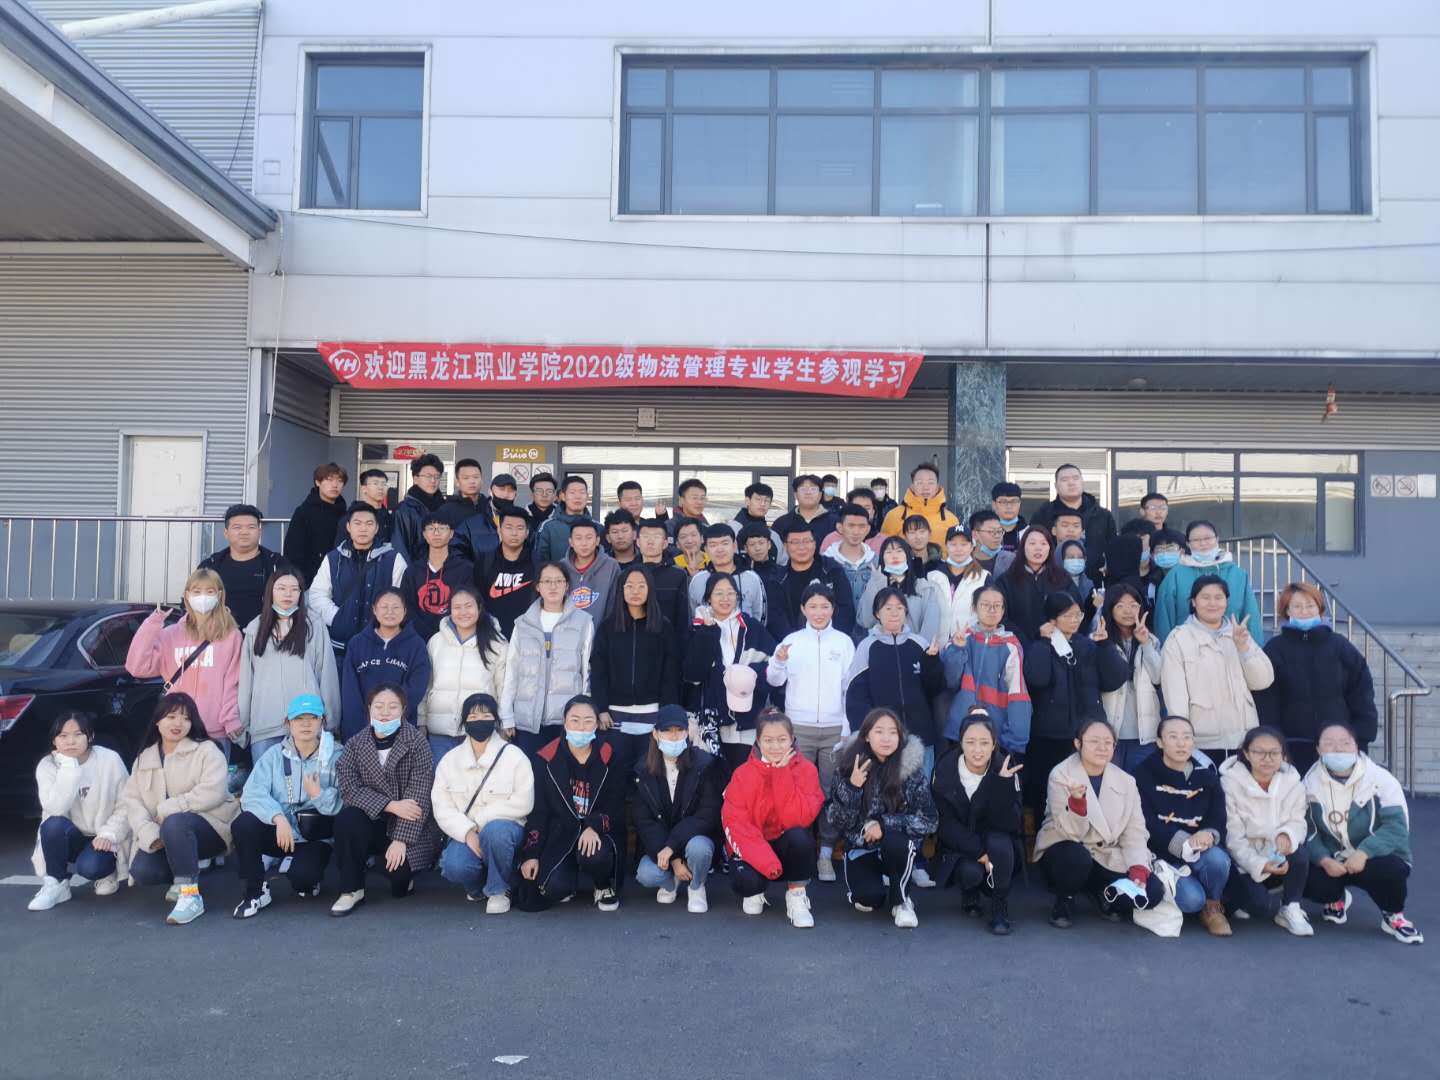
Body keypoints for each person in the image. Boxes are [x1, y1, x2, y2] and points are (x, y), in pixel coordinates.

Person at [118, 694, 238, 925]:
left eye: (185, 718)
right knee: (144, 871)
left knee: (175, 822)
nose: (178, 723)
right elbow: (132, 802)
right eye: (171, 716)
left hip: (211, 828)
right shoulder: (145, 758)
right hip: (164, 833)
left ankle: (190, 895)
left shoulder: (206, 750)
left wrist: (168, 808)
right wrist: (149, 834)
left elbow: (213, 791)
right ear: (157, 721)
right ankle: (181, 875)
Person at [1034, 718, 1164, 928]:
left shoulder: (1126, 781)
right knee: (1077, 858)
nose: (1102, 747)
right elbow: (1070, 832)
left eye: (1108, 742)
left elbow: (1135, 830)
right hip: (1067, 850)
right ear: (1078, 744)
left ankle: (1101, 892)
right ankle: (1065, 899)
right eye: (1094, 741)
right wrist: (1077, 803)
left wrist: (1138, 866)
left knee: (1153, 891)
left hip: (1106, 855)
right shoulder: (1061, 774)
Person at [766, 584, 854, 882]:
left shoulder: (843, 642)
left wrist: (846, 728)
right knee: (797, 791)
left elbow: (850, 689)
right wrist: (778, 661)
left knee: (829, 790)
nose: (819, 612)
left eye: (825, 606)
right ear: (803, 609)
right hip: (799, 728)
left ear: (833, 609)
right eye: (813, 606)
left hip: (834, 729)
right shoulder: (792, 641)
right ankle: (799, 851)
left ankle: (825, 853)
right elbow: (774, 680)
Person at [1303, 722, 1422, 944]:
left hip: (1373, 857)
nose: (1338, 749)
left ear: (1357, 746)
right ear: (1318, 749)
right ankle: (1335, 897)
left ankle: (1393, 914)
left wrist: (1364, 852)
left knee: (1391, 870)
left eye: (1345, 743)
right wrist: (1323, 859)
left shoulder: (1380, 780)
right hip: (1334, 858)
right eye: (1329, 743)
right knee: (1306, 876)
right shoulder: (1309, 783)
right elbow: (1307, 829)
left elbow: (1396, 827)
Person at [331, 684, 442, 915]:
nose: (385, 712)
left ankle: (398, 870)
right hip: (372, 820)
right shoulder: (355, 744)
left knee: (399, 880)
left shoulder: (417, 743)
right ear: (369, 709)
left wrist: (401, 840)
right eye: (379, 706)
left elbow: (419, 797)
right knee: (347, 818)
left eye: (392, 707)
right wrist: (390, 805)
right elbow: (349, 789)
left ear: (403, 710)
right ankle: (351, 889)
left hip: (409, 824)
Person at [230, 695, 341, 918]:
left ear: (322, 721)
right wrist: (277, 817)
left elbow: (345, 801)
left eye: (313, 718)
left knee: (304, 880)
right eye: (299, 718)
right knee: (244, 824)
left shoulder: (337, 755)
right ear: (287, 723)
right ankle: (255, 891)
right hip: (281, 832)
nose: (306, 724)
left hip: (314, 836)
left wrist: (318, 795)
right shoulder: (274, 755)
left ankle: (307, 877)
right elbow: (252, 793)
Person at [825, 707, 937, 928]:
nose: (886, 738)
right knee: (869, 899)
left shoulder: (911, 771)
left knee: (896, 841)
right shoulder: (848, 766)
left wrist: (884, 825)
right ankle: (875, 881)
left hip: (896, 845)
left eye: (893, 732)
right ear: (867, 735)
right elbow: (836, 820)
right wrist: (853, 788)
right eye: (879, 731)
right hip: (861, 846)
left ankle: (901, 901)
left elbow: (929, 820)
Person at [516, 696, 625, 911]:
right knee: (553, 888)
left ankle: (602, 885)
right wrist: (531, 855)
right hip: (561, 833)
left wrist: (593, 825)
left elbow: (616, 806)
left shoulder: (610, 755)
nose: (581, 727)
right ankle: (569, 880)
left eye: (588, 721)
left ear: (597, 724)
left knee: (595, 855)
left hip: (599, 834)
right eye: (575, 720)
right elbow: (539, 812)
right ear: (564, 722)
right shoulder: (546, 758)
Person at [1258, 582, 1377, 774]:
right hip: (1291, 746)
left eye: (1310, 605)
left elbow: (1362, 693)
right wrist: (1273, 741)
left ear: (1319, 609)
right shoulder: (1275, 649)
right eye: (1297, 606)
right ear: (1287, 610)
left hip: (1338, 747)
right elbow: (1266, 701)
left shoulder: (1340, 646)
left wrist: (1361, 736)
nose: (1304, 611)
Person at [721, 709, 824, 927]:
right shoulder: (742, 774)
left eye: (782, 740)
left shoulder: (807, 771)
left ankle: (796, 895)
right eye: (768, 740)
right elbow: (737, 824)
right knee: (747, 883)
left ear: (792, 739)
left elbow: (797, 820)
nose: (775, 746)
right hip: (754, 847)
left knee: (799, 837)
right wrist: (767, 863)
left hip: (785, 842)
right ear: (758, 741)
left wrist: (781, 773)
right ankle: (756, 890)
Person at [432, 693, 533, 913]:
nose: (480, 721)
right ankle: (477, 887)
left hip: (506, 832)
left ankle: (499, 890)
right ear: (464, 722)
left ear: (496, 720)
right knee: (454, 866)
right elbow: (442, 807)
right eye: (473, 716)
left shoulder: (514, 756)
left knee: (496, 832)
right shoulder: (450, 761)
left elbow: (524, 801)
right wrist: (467, 832)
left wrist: (481, 821)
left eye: (486, 716)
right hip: (466, 833)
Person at [1021, 592, 1118, 818]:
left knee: (1088, 792)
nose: (1075, 620)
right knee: (1049, 793)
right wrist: (1043, 642)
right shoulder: (1039, 644)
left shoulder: (1088, 645)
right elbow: (1037, 678)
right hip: (1050, 734)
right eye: (1068, 615)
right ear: (1052, 619)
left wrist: (1105, 646)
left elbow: (1113, 680)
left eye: (1078, 615)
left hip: (1086, 731)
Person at [1135, 716, 1233, 935]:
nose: (1181, 743)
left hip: (1200, 850)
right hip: (1161, 854)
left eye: (1187, 737)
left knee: (1218, 859)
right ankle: (1194, 897)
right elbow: (1144, 821)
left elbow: (1218, 817)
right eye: (1173, 737)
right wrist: (1182, 842)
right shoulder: (1142, 774)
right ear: (1160, 742)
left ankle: (1213, 906)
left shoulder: (1206, 776)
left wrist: (1208, 834)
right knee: (1192, 900)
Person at [125, 569, 243, 751]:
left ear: (219, 595)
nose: (203, 597)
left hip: (213, 731)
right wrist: (152, 624)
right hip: (176, 728)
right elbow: (137, 667)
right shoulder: (170, 634)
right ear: (187, 595)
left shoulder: (231, 636)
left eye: (209, 591)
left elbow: (233, 683)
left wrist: (230, 719)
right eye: (197, 591)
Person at [1160, 575, 1274, 760]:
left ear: (1226, 602)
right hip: (1202, 742)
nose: (1212, 603)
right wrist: (1183, 739)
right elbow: (1175, 696)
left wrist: (1243, 648)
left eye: (1218, 597)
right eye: (1205, 597)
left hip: (1244, 739)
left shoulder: (1239, 634)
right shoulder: (1179, 639)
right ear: (1194, 602)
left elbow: (1262, 681)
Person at [930, 713, 1024, 934]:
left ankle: (999, 905)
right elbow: (944, 823)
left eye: (984, 742)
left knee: (999, 843)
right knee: (970, 873)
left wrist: (1002, 786)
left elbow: (1011, 823)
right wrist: (979, 851)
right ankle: (970, 893)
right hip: (961, 845)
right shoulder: (944, 769)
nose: (977, 750)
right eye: (970, 742)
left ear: (994, 744)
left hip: (998, 842)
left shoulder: (1006, 767)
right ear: (961, 743)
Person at [27, 711, 130, 911]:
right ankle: (57, 884)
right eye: (63, 736)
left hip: (103, 837)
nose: (70, 741)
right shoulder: (47, 766)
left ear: (90, 736)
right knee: (52, 825)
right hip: (71, 835)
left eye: (78, 734)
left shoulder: (109, 759)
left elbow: (126, 804)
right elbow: (56, 809)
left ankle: (107, 872)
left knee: (91, 868)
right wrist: (69, 767)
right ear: (54, 740)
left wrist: (109, 834)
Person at [1218, 726, 1314, 936]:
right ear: (1246, 753)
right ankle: (1248, 897)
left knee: (1298, 853)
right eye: (1259, 752)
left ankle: (1291, 906)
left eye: (1274, 753)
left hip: (1276, 853)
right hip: (1243, 862)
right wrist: (1259, 864)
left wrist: (1286, 835)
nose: (1267, 758)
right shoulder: (1229, 784)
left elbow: (1298, 822)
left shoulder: (1293, 783)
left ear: (1283, 755)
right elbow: (1233, 838)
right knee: (1261, 908)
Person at [238, 566, 340, 762]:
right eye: (281, 588)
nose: (288, 594)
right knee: (267, 779)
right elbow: (246, 680)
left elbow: (326, 673)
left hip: (306, 723)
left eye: (294, 589)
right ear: (270, 592)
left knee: (306, 780)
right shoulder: (255, 628)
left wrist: (331, 720)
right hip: (265, 725)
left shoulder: (314, 625)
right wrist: (243, 724)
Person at [591, 565, 681, 776]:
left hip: (652, 714)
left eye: (641, 586)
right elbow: (599, 670)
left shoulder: (663, 626)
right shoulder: (608, 627)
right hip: (614, 716)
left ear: (650, 589)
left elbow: (670, 673)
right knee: (616, 775)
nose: (635, 591)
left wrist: (667, 713)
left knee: (649, 775)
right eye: (629, 586)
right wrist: (600, 708)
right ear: (621, 590)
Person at [633, 706, 724, 912]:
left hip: (693, 839)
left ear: (687, 732)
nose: (674, 736)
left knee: (699, 849)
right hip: (662, 845)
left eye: (679, 730)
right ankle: (670, 883)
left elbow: (707, 814)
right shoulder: (642, 770)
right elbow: (644, 821)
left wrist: (672, 846)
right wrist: (673, 859)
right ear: (655, 734)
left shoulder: (704, 764)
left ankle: (697, 886)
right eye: (667, 730)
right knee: (646, 874)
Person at [846, 589, 946, 776]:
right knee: (886, 790)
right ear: (877, 613)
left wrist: (932, 662)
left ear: (906, 612)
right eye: (888, 608)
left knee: (922, 789)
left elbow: (935, 689)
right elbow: (856, 695)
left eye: (899, 608)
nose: (894, 613)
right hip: (883, 741)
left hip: (920, 736)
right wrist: (865, 734)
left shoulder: (920, 644)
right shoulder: (867, 647)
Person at [499, 563, 594, 755]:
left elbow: (587, 671)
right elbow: (512, 671)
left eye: (559, 581)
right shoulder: (522, 623)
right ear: (538, 586)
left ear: (567, 586)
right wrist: (506, 715)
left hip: (568, 720)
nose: (553, 586)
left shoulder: (583, 621)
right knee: (530, 771)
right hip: (527, 719)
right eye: (547, 581)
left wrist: (584, 713)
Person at [685, 572, 775, 769]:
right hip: (709, 722)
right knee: (712, 780)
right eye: (718, 593)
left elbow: (772, 668)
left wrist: (745, 676)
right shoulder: (695, 629)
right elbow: (693, 675)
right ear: (708, 597)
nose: (725, 598)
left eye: (730, 593)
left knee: (744, 777)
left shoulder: (752, 628)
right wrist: (708, 632)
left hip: (745, 720)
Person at [940, 584, 1031, 757]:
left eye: (997, 606)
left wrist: (1015, 740)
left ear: (1003, 610)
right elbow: (951, 680)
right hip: (960, 727)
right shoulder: (962, 637)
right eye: (985, 605)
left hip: (995, 730)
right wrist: (958, 649)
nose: (991, 610)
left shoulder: (1011, 645)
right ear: (974, 608)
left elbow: (1018, 693)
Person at [419, 587, 508, 761]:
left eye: (468, 606)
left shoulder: (497, 643)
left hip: (480, 730)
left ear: (479, 608)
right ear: (450, 611)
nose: (463, 612)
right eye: (457, 607)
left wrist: (504, 723)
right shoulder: (436, 642)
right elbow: (426, 685)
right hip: (440, 733)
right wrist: (421, 720)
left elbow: (503, 687)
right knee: (442, 777)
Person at [308, 503, 407, 658]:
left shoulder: (394, 559)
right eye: (357, 523)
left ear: (377, 528)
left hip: (381, 644)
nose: (363, 528)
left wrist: (384, 620)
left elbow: (402, 598)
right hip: (340, 646)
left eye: (369, 523)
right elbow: (317, 595)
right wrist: (337, 617)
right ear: (348, 527)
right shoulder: (333, 559)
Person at [338, 588, 430, 742]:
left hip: (401, 729)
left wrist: (391, 717)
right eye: (384, 607)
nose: (390, 612)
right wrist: (363, 724)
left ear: (405, 611)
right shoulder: (357, 643)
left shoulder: (416, 645)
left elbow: (417, 686)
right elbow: (350, 690)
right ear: (374, 609)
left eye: (396, 607)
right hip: (360, 729)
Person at [1153, 520, 1264, 644]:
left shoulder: (1237, 574)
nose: (1203, 543)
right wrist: (1167, 649)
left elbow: (1250, 615)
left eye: (1208, 538)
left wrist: (1255, 649)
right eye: (1196, 540)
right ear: (1188, 544)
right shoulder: (1175, 575)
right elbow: (1164, 619)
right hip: (1187, 648)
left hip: (1231, 646)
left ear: (1217, 539)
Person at [1095, 584, 1161, 772]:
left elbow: (1158, 677)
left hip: (1144, 732)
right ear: (1110, 609)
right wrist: (1102, 646)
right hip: (1109, 730)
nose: (1128, 611)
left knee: (1140, 783)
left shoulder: (1151, 640)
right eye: (1120, 606)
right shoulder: (1099, 639)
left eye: (1133, 605)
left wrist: (1145, 644)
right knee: (1110, 783)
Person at [764, 523, 857, 639]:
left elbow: (846, 609)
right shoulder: (778, 579)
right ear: (785, 546)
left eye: (807, 541)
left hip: (832, 641)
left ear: (814, 543)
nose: (801, 547)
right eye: (795, 542)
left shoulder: (831, 570)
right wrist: (795, 643)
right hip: (792, 644)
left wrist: (830, 640)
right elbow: (776, 618)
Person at [198, 503, 281, 629]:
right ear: (226, 533)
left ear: (259, 532)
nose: (244, 532)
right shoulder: (210, 565)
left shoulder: (276, 564)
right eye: (237, 527)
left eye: (251, 527)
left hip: (264, 634)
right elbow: (192, 599)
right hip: (219, 634)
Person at [1029, 464, 1117, 579]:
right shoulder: (1043, 515)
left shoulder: (1103, 516)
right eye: (1064, 480)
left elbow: (1113, 552)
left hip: (1094, 581)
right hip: (1051, 580)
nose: (1071, 483)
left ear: (1082, 482)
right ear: (1056, 486)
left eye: (1075, 478)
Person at [399, 513, 475, 641]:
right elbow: (406, 607)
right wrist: (426, 634)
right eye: (431, 528)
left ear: (451, 533)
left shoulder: (465, 569)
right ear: (424, 534)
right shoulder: (412, 571)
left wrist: (445, 634)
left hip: (454, 638)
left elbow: (469, 605)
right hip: (418, 639)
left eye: (442, 528)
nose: (436, 533)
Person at [995, 526, 1076, 645]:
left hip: (1057, 645)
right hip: (1018, 647)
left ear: (1050, 548)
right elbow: (1001, 618)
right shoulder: (1006, 580)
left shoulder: (1062, 578)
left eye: (1043, 544)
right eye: (1032, 543)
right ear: (1023, 547)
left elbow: (1075, 611)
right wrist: (1024, 643)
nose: (1038, 548)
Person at [857, 536, 944, 643]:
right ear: (882, 559)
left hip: (915, 648)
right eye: (888, 552)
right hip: (882, 647)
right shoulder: (875, 583)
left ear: (907, 556)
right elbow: (866, 621)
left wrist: (920, 648)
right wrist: (876, 584)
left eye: (899, 551)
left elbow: (930, 626)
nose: (894, 556)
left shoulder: (924, 588)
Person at [474, 506, 535, 638]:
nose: (514, 533)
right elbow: (476, 601)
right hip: (492, 637)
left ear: (527, 532)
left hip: (527, 637)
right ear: (499, 530)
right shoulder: (484, 562)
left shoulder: (537, 563)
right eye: (508, 527)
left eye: (520, 528)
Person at [284, 462, 350, 584]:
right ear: (318, 482)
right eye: (329, 480)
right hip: (310, 580)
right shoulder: (304, 512)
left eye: (340, 481)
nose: (335, 485)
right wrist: (301, 581)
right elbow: (293, 551)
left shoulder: (345, 513)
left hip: (339, 579)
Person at [688, 524, 766, 621]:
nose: (720, 549)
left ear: (734, 546)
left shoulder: (752, 578)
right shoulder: (698, 580)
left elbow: (759, 616)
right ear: (706, 549)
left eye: (725, 543)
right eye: (713, 545)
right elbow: (692, 616)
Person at [927, 525, 990, 641]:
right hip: (936, 645)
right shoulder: (932, 577)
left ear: (971, 547)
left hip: (970, 644)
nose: (958, 549)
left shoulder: (983, 577)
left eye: (964, 544)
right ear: (946, 546)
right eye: (953, 544)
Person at [822, 504, 881, 625]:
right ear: (840, 527)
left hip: (870, 630)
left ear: (868, 529)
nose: (856, 532)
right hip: (835, 630)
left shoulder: (876, 562)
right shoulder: (825, 563)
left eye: (861, 526)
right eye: (851, 526)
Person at [560, 517, 621, 623]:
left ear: (597, 541)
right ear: (571, 542)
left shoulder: (611, 566)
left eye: (589, 538)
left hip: (601, 631)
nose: (584, 543)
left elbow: (615, 605)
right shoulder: (561, 568)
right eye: (578, 538)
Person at [389, 453, 448, 563]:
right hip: (416, 571)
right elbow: (400, 551)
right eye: (428, 476)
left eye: (437, 476)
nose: (433, 480)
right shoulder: (404, 510)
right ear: (415, 478)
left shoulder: (445, 507)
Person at [636, 517, 692, 633]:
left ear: (665, 543)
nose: (650, 542)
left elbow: (683, 619)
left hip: (668, 640)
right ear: (638, 542)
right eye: (645, 536)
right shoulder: (627, 574)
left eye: (656, 537)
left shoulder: (678, 575)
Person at [880, 462, 959, 539]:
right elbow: (882, 545)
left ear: (937, 487)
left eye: (930, 483)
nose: (925, 488)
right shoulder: (894, 516)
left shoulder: (951, 520)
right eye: (920, 483)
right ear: (912, 487)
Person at [533, 474, 592, 564]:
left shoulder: (597, 527)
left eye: (582, 492)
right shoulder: (548, 527)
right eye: (572, 492)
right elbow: (540, 561)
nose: (578, 496)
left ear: (587, 496)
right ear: (563, 496)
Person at [333, 468, 393, 546]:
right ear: (364, 489)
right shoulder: (351, 517)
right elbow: (341, 549)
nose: (380, 487)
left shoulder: (390, 517)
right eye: (375, 483)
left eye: (384, 484)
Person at [774, 474, 837, 548]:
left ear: (820, 495)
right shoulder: (781, 523)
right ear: (795, 495)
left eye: (813, 489)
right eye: (803, 489)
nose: (808, 493)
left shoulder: (834, 522)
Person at [730, 482, 784, 560]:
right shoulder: (732, 530)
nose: (763, 504)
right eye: (758, 499)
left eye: (767, 500)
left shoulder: (773, 536)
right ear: (747, 501)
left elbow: (782, 562)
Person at [439, 457, 492, 532]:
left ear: (481, 480)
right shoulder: (446, 510)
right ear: (457, 482)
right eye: (466, 478)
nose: (472, 481)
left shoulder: (490, 507)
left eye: (476, 477)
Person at [1146, 527, 1186, 605]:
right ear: (1152, 555)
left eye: (1170, 548)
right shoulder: (1151, 584)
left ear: (1182, 551)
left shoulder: (1192, 577)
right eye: (1160, 549)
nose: (1165, 553)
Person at [990, 482, 1027, 551]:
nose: (1009, 506)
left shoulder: (1029, 532)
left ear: (1020, 503)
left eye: (1014, 501)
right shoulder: (984, 532)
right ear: (994, 504)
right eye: (1003, 501)